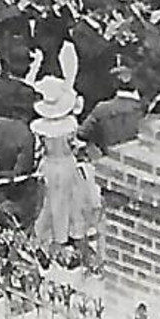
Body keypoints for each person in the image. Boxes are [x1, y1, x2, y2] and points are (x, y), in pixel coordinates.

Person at [30, 79, 102, 266]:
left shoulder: (40, 127)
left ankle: (50, 240)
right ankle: (70, 237)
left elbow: (38, 150)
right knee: (71, 202)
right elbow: (76, 146)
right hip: (67, 165)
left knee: (51, 202)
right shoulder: (70, 124)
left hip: (49, 166)